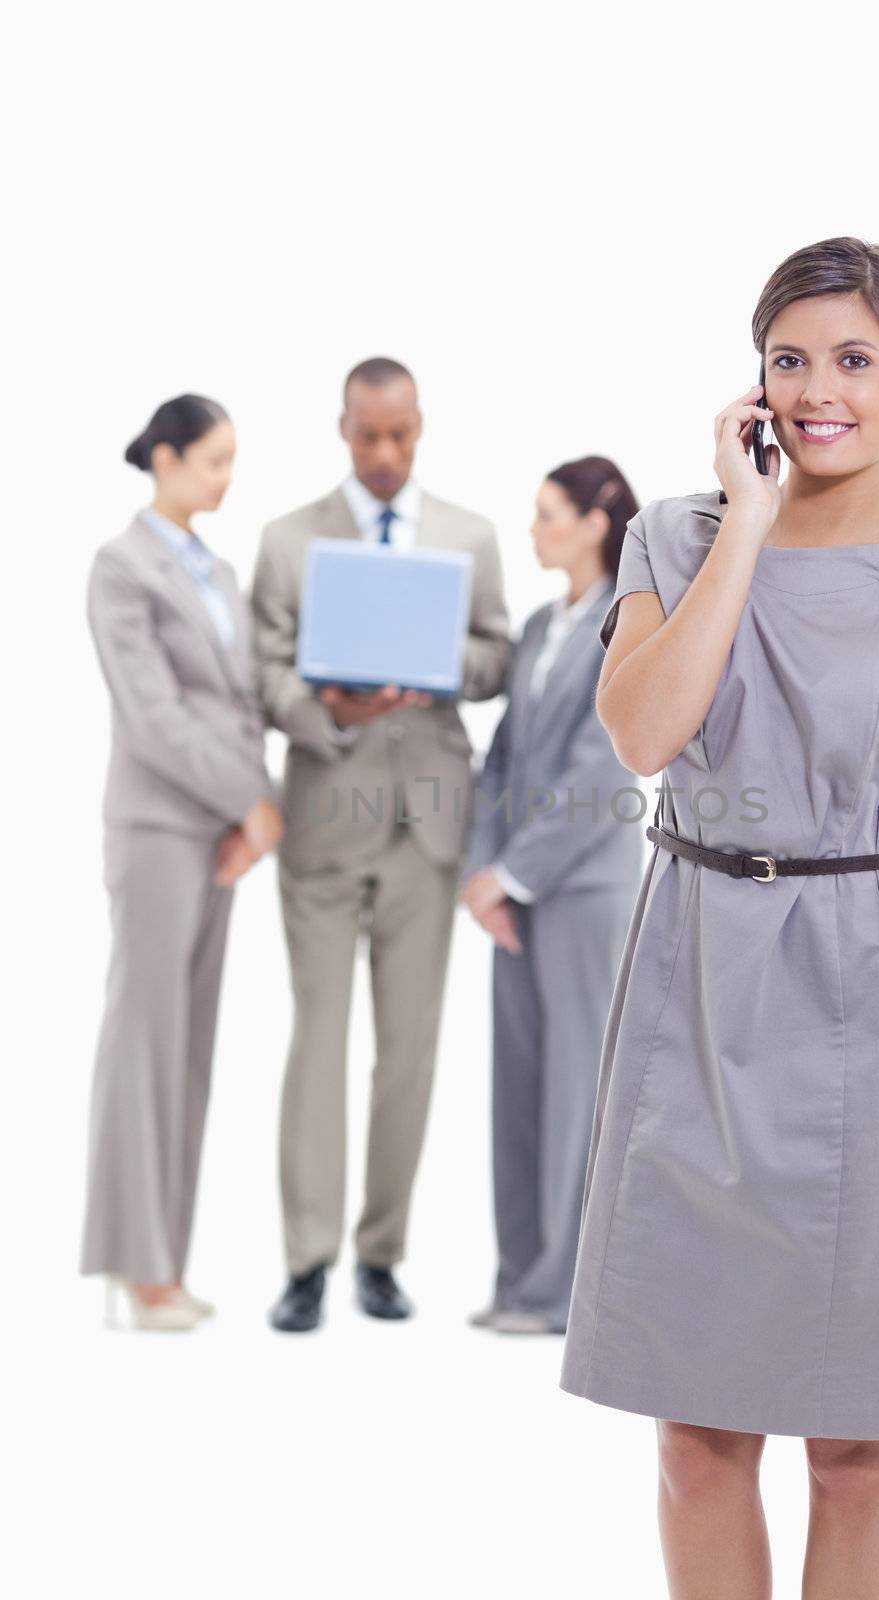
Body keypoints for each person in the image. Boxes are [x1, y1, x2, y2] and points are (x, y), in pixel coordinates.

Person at [558, 238, 879, 1597]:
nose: (817, 390)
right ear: (751, 378)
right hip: (693, 985)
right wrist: (747, 525)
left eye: (852, 360)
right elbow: (646, 733)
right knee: (695, 1436)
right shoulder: (674, 534)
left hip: (871, 1009)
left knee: (854, 1441)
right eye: (788, 359)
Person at [252, 356, 510, 1332]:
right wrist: (328, 704)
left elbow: (496, 658)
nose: (385, 453)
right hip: (325, 813)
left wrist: (435, 662)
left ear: (419, 425)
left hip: (427, 824)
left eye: (400, 434)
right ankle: (306, 1259)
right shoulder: (286, 541)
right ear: (343, 429)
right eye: (368, 436)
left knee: (408, 1049)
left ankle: (379, 1253)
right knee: (317, 1040)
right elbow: (263, 668)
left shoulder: (467, 536)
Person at [81, 394, 285, 1331]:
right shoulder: (121, 569)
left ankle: (166, 1263)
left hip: (220, 834)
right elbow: (153, 714)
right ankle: (135, 1267)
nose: (225, 477)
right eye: (213, 459)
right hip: (161, 827)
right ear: (165, 458)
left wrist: (259, 807)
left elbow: (240, 701)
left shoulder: (218, 567)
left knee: (190, 1045)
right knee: (144, 1041)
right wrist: (245, 799)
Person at [461, 457, 646, 1336]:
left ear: (592, 523)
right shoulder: (539, 628)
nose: (532, 530)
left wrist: (515, 872)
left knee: (579, 1086)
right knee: (521, 1084)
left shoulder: (630, 623)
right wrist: (483, 872)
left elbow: (602, 768)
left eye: (546, 515)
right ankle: (517, 1281)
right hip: (515, 896)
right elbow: (501, 759)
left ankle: (562, 1292)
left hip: (583, 891)